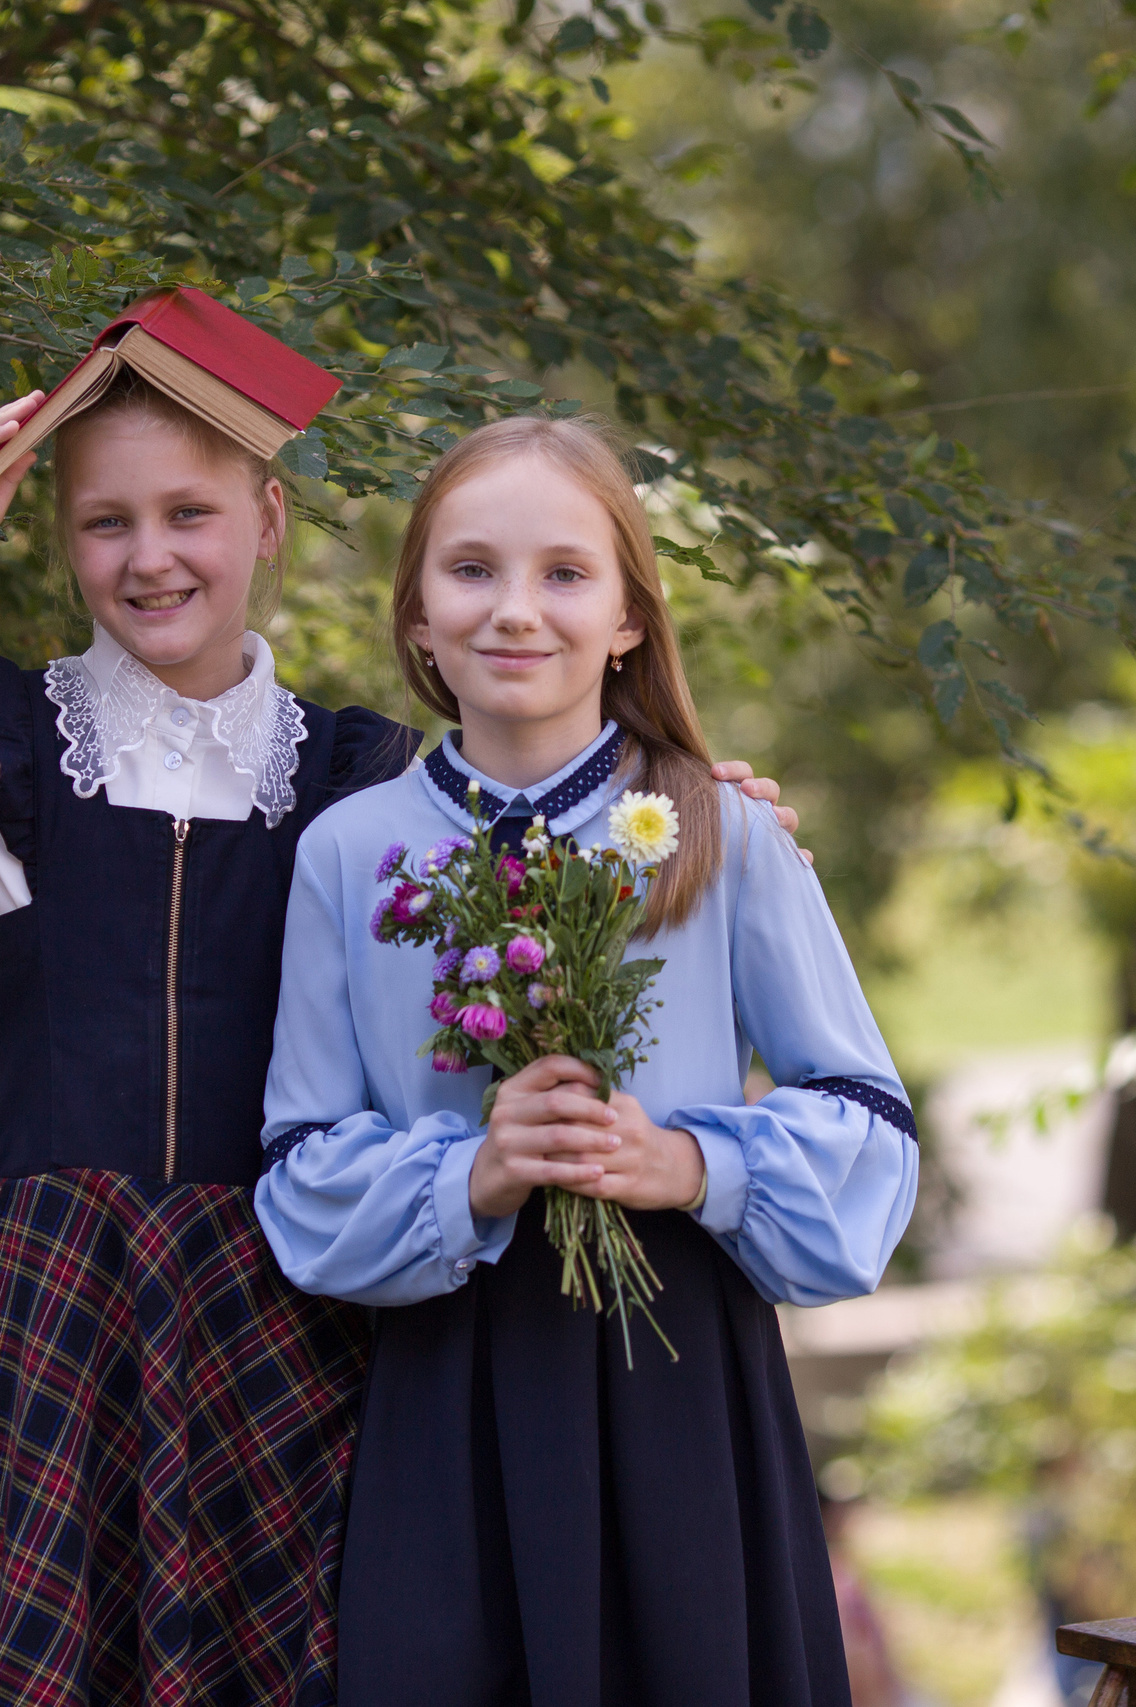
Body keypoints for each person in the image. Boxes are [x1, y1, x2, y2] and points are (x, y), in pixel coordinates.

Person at [0, 349, 805, 1705]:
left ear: (266, 521)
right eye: (104, 522)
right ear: (61, 535)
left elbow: (549, 829)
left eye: (189, 514)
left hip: (297, 1336)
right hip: (40, 1343)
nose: (150, 559)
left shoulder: (374, 789)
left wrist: (680, 800)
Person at [255, 415, 921, 1707]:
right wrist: (476, 1176)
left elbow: (871, 1131)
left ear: (628, 618)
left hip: (681, 1389)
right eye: (471, 571)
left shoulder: (719, 833)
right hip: (449, 1400)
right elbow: (298, 1172)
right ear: (415, 618)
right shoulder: (349, 852)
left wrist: (684, 1163)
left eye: (565, 573)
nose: (516, 612)